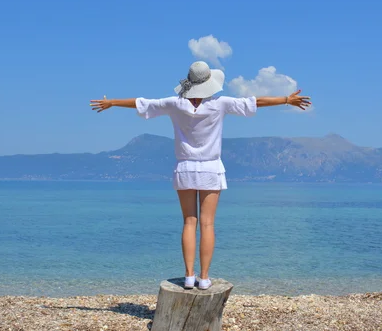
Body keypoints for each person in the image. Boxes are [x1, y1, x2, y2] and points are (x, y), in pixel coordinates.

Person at [89, 61, 311, 290]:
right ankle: (204, 278)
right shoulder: (220, 104)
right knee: (207, 224)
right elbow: (255, 102)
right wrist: (286, 99)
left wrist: (111, 103)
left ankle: (188, 276)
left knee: (188, 222)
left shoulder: (174, 104)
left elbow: (141, 103)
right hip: (211, 169)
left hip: (184, 168)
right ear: (209, 82)